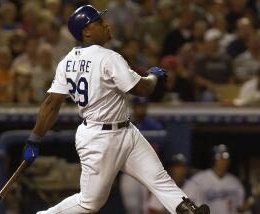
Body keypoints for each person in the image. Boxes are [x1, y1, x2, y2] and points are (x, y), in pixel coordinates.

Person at [22, 5, 209, 214]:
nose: (106, 25)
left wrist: (34, 139)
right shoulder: (108, 57)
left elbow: (51, 103)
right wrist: (153, 75)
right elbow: (142, 88)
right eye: (99, 23)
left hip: (126, 132)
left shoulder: (67, 62)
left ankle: (187, 210)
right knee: (90, 203)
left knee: (159, 178)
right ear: (86, 31)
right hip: (99, 138)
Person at [183, 144, 250, 214]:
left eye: (226, 158)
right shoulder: (198, 179)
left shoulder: (235, 182)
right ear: (213, 159)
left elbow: (240, 207)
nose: (223, 161)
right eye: (220, 157)